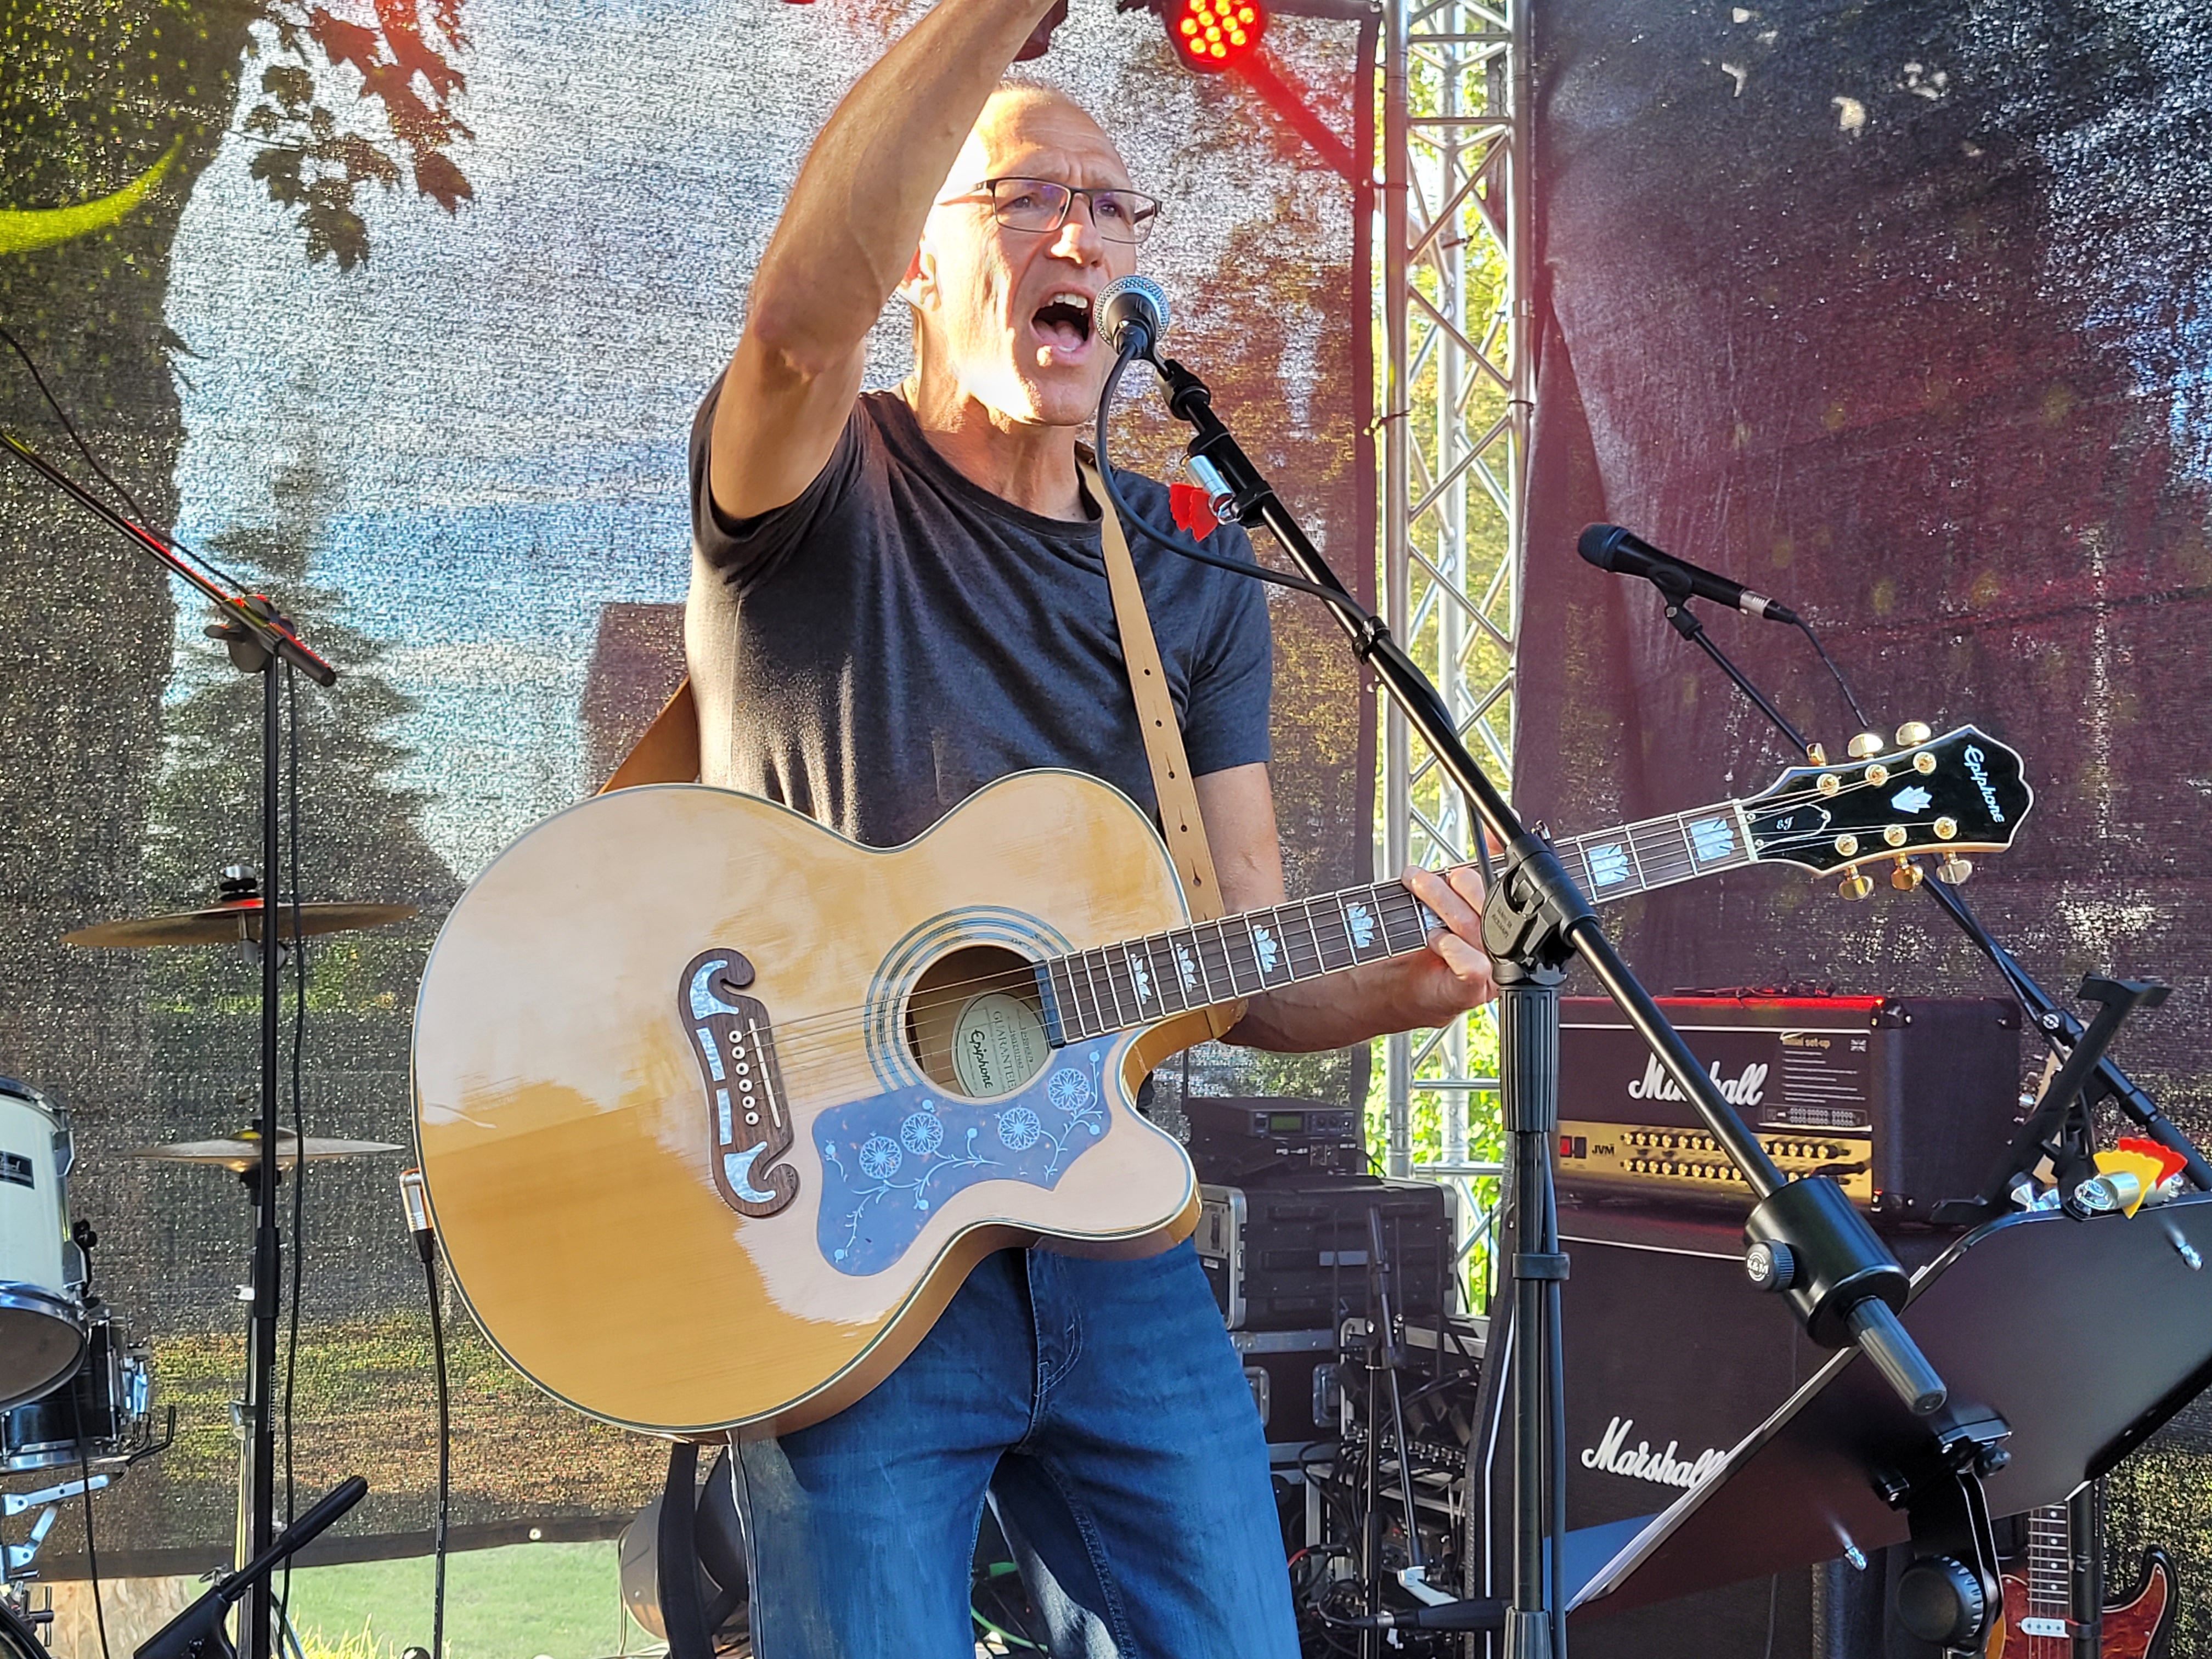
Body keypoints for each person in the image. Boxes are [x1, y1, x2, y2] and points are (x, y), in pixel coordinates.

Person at [684, 0, 1497, 1651]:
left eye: (1114, 207)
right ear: (919, 263)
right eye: (1026, 198)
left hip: (1110, 1237)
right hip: (837, 1242)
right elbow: (792, 332)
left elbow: (1238, 965)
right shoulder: (818, 484)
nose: (1081, 235)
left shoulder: (1190, 567)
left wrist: (1408, 985)